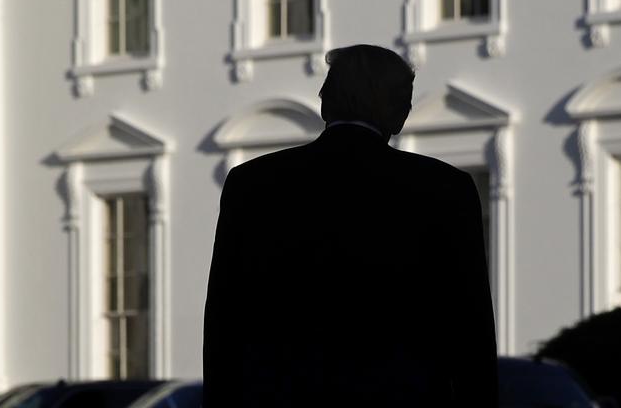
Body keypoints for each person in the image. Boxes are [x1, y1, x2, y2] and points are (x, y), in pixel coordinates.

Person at [203, 44, 497, 408]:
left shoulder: (252, 183)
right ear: (398, 113)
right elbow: (470, 327)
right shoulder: (444, 189)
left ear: (325, 102)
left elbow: (225, 319)